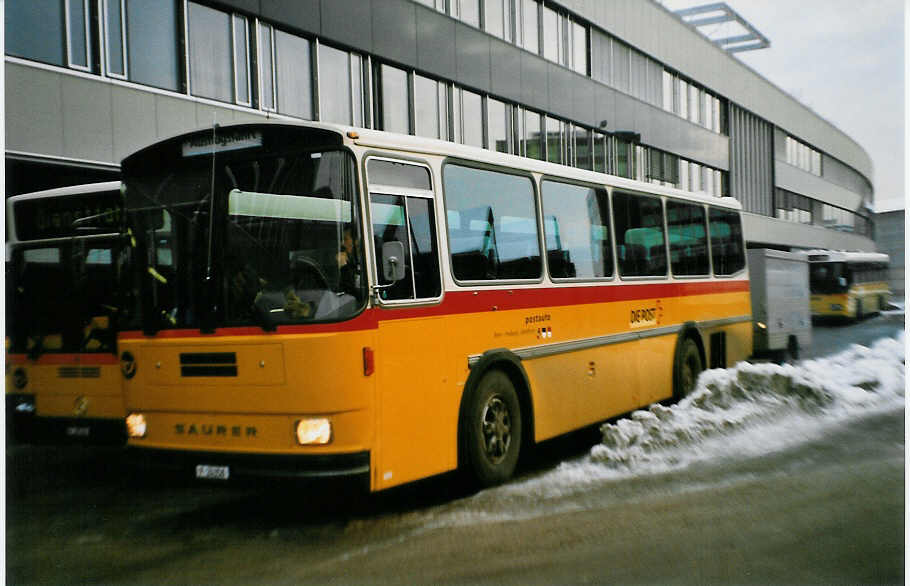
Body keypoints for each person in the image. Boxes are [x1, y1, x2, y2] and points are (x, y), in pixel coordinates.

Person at [336, 225, 362, 300]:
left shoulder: (365, 264)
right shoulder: (353, 261)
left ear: (356, 241)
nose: (342, 244)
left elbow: (354, 294)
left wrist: (343, 267)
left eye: (345, 239)